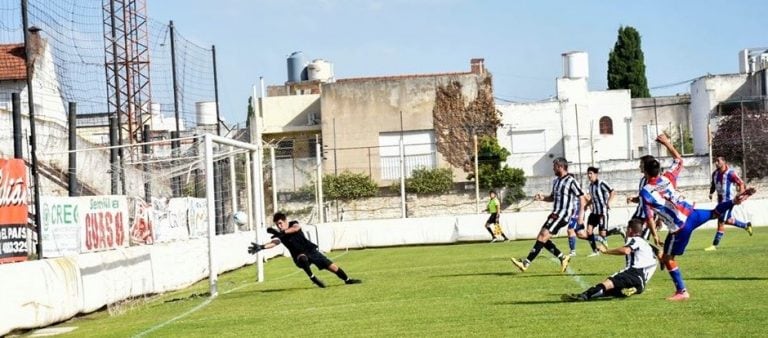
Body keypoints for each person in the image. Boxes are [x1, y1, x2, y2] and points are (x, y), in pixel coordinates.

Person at [641, 134, 755, 301]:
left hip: (680, 226)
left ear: (645, 170)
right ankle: (733, 201)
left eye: (641, 166)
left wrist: (656, 236)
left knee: (667, 258)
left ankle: (682, 291)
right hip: (692, 213)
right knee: (715, 213)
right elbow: (679, 159)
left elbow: (650, 217)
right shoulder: (667, 178)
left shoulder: (645, 192)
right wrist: (666, 142)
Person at [511, 157, 586, 273]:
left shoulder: (571, 181)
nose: (553, 168)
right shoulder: (556, 181)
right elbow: (552, 198)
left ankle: (525, 263)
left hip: (563, 214)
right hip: (555, 213)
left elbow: (582, 198)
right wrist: (542, 198)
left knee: (542, 236)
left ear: (560, 166)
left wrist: (581, 216)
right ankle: (562, 257)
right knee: (542, 238)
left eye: (554, 166)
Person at [248, 212, 362, 288]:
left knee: (332, 266)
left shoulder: (293, 224)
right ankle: (313, 278)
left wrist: (281, 233)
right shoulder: (280, 234)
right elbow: (275, 242)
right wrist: (261, 247)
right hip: (298, 256)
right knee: (302, 258)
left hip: (311, 251)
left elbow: (296, 228)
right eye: (277, 225)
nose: (279, 226)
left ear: (285, 221)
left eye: (280, 223)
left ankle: (347, 280)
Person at [561, 218, 657, 301]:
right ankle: (633, 289)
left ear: (630, 229)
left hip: (633, 272)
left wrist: (606, 251)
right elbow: (659, 256)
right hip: (642, 281)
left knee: (608, 283)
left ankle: (584, 295)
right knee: (613, 290)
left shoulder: (636, 240)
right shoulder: (646, 244)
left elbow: (626, 250)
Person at [704, 156, 753, 251]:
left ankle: (714, 245)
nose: (716, 163)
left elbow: (741, 183)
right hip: (720, 202)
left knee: (721, 222)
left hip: (728, 202)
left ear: (724, 162)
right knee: (727, 220)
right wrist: (711, 193)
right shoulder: (715, 173)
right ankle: (746, 225)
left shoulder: (730, 173)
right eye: (715, 161)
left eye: (718, 161)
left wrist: (741, 194)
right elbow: (713, 185)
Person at [584, 166, 623, 257]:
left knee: (602, 234)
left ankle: (617, 230)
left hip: (602, 212)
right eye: (588, 174)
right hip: (594, 213)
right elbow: (593, 199)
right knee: (589, 231)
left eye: (591, 173)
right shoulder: (590, 186)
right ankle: (595, 251)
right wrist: (586, 205)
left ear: (596, 174)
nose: (589, 176)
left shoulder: (602, 183)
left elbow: (612, 192)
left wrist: (608, 202)